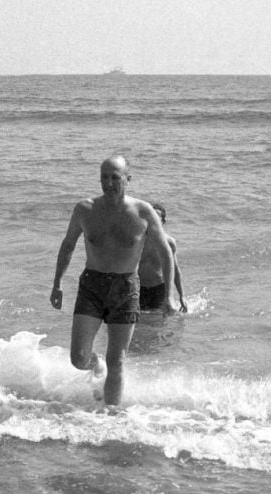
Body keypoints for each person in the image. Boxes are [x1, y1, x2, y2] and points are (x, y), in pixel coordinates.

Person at [49, 156, 174, 406]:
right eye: (104, 177)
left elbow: (165, 253)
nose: (108, 183)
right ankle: (96, 365)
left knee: (118, 360)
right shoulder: (85, 209)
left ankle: (112, 416)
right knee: (78, 358)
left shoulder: (143, 212)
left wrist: (169, 296)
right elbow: (68, 245)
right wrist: (57, 283)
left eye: (115, 177)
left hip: (126, 288)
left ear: (128, 179)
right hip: (92, 286)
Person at [139, 203, 188, 313]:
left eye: (156, 218)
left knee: (159, 324)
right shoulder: (137, 241)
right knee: (138, 325)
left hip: (159, 289)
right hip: (138, 288)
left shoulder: (169, 243)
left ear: (163, 221)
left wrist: (182, 296)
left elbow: (175, 270)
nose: (152, 221)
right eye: (150, 217)